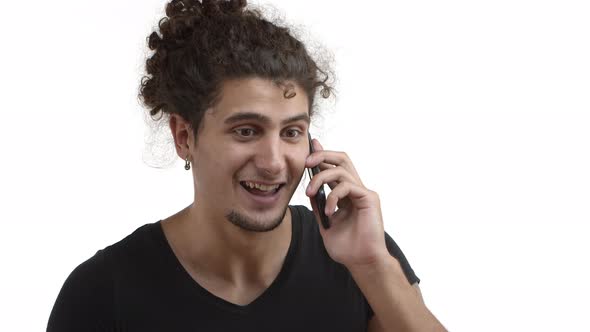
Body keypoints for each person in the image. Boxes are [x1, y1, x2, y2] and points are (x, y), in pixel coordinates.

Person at [47, 0, 446, 331]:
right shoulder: (103, 291)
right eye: (246, 131)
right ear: (185, 137)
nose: (273, 163)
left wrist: (372, 265)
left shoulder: (359, 257)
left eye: (291, 132)